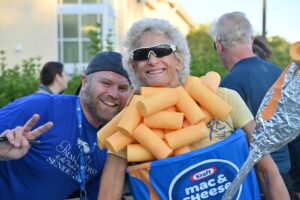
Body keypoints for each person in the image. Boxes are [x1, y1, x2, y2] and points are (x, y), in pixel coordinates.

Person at [98, 18, 289, 200]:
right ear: (133, 66)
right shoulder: (127, 124)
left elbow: (267, 171)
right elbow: (108, 194)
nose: (152, 60)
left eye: (162, 50)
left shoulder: (224, 99)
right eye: (141, 54)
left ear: (179, 58)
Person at [0, 51, 132, 200]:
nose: (114, 94)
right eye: (106, 83)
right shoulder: (42, 106)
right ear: (85, 82)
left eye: (122, 88)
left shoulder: (111, 143)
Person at [208, 11, 292, 198]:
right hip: (286, 179)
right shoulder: (280, 73)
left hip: (255, 182)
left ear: (219, 46)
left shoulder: (228, 86)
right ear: (252, 39)